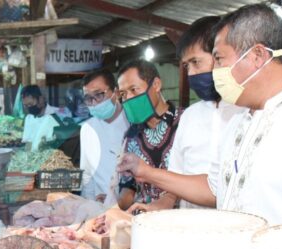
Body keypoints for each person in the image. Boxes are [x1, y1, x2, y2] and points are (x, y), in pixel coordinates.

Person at [117, 4, 282, 225]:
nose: (215, 72)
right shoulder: (240, 121)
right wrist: (146, 172)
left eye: (220, 59)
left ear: (257, 56)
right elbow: (215, 189)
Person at [131, 16, 246, 212]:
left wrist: (148, 173)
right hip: (188, 229)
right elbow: (175, 182)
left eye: (196, 62)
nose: (191, 73)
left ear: (219, 56)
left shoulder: (246, 111)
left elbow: (221, 190)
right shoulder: (190, 117)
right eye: (186, 66)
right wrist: (161, 205)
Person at [112, 59, 183, 212]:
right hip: (142, 221)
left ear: (156, 85)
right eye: (123, 94)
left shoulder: (185, 123)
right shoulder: (130, 136)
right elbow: (128, 187)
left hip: (182, 220)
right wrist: (111, 208)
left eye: (134, 89)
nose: (129, 98)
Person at [79, 68, 130, 203]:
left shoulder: (133, 123)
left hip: (130, 204)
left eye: (99, 95)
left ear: (116, 92)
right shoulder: (87, 128)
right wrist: (89, 204)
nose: (94, 103)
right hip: (100, 205)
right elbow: (87, 174)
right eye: (88, 98)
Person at [21, 85, 60, 151]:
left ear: (41, 99)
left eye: (30, 104)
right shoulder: (29, 118)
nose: (29, 108)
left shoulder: (56, 115)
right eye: (26, 105)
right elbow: (28, 143)